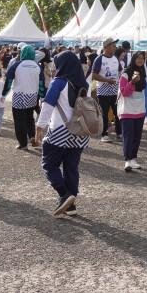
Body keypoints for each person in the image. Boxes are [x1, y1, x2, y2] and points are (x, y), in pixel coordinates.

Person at [35, 51, 91, 217]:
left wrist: (39, 128)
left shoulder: (59, 82)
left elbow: (48, 105)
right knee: (71, 167)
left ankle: (64, 194)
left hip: (60, 129)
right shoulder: (83, 83)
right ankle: (71, 205)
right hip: (80, 131)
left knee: (49, 164)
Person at [118, 50, 147, 172]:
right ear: (133, 59)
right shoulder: (125, 74)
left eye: (142, 58)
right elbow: (124, 92)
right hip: (127, 109)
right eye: (138, 58)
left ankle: (133, 159)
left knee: (137, 136)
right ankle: (127, 160)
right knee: (128, 135)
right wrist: (132, 82)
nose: (140, 60)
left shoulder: (144, 75)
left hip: (139, 110)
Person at [2, 44, 41, 150]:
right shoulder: (38, 66)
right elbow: (41, 84)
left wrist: (4, 94)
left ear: (22, 53)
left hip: (19, 96)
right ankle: (32, 136)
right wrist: (42, 96)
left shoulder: (16, 65)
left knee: (19, 121)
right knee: (29, 118)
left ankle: (23, 144)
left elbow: (8, 81)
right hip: (32, 96)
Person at [91, 38, 123, 143]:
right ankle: (104, 134)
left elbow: (120, 72)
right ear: (107, 47)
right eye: (113, 45)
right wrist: (107, 80)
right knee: (104, 113)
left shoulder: (115, 59)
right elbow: (94, 75)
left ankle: (119, 133)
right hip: (103, 91)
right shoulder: (99, 59)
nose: (115, 47)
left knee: (118, 112)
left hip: (115, 91)